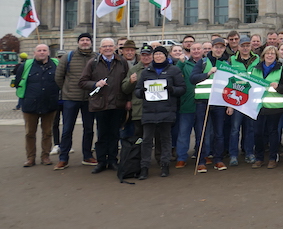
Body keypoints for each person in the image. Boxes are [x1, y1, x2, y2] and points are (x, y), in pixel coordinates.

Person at [79, 38, 130, 174]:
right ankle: (101, 161)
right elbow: (82, 82)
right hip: (100, 104)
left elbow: (126, 82)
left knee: (114, 134)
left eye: (110, 46)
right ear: (100, 49)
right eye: (104, 46)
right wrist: (95, 84)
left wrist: (127, 100)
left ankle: (113, 160)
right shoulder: (93, 63)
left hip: (117, 104)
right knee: (102, 134)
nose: (107, 48)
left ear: (114, 48)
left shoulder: (122, 62)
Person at [134, 46, 185, 179]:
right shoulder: (146, 72)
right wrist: (142, 92)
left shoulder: (174, 70)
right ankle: (144, 167)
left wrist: (171, 89)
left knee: (165, 139)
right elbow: (137, 91)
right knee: (146, 140)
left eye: (160, 54)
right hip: (149, 110)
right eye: (156, 54)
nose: (158, 56)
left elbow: (182, 89)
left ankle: (165, 165)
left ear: (165, 55)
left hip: (166, 110)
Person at [53, 33, 97, 170]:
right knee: (67, 129)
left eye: (87, 40)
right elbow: (58, 77)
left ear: (91, 42)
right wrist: (67, 90)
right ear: (78, 42)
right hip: (70, 98)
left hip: (89, 98)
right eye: (82, 40)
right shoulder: (68, 56)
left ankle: (87, 155)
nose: (85, 42)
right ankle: (63, 158)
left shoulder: (96, 57)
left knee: (89, 129)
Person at [14, 44, 60, 167]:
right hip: (30, 105)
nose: (42, 52)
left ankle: (45, 156)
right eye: (39, 50)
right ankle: (30, 158)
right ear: (34, 53)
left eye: (44, 50)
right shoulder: (26, 66)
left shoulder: (56, 65)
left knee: (47, 133)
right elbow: (18, 82)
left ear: (48, 52)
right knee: (30, 133)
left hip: (50, 105)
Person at [189, 37, 229, 173]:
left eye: (221, 47)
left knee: (219, 133)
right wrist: (208, 73)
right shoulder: (203, 61)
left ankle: (218, 159)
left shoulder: (226, 63)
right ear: (212, 48)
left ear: (224, 49)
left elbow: (231, 84)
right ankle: (201, 160)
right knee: (201, 132)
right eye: (216, 47)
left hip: (219, 102)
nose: (219, 50)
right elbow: (193, 79)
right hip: (203, 102)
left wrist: (230, 104)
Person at [251, 46, 283, 168]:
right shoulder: (255, 69)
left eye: (272, 54)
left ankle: (273, 158)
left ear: (276, 56)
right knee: (258, 133)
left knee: (273, 133)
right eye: (268, 53)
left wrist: (278, 86)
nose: (270, 55)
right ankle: (259, 158)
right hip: (259, 107)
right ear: (263, 55)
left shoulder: (280, 69)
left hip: (274, 107)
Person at [228, 35, 259, 166]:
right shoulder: (231, 60)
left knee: (250, 128)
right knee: (235, 129)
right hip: (237, 100)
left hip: (251, 99)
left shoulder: (257, 59)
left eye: (247, 45)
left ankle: (249, 153)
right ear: (238, 47)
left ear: (251, 46)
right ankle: (233, 155)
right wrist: (228, 104)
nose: (245, 48)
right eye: (243, 45)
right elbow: (227, 80)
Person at [175, 43, 204, 168]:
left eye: (198, 49)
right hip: (187, 103)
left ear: (202, 51)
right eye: (194, 49)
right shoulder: (184, 64)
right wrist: (180, 63)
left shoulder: (206, 64)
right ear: (189, 51)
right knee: (183, 133)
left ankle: (201, 154)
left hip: (202, 103)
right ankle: (181, 157)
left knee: (201, 133)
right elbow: (175, 74)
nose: (196, 51)